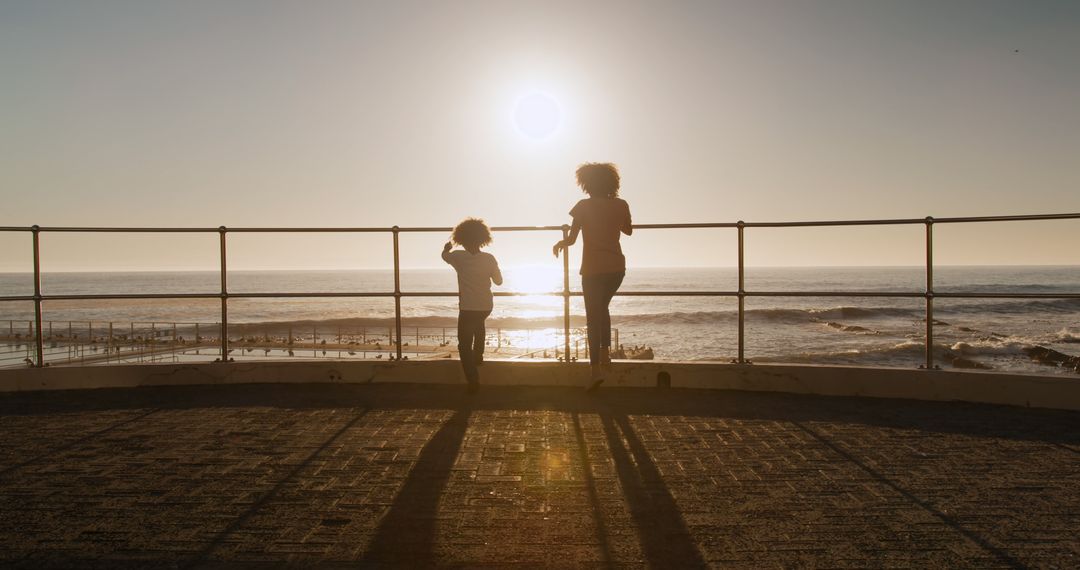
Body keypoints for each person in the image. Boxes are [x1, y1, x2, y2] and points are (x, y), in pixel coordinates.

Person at [552, 162, 632, 391]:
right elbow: (628, 230)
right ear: (611, 182)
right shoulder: (620, 204)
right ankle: (605, 354)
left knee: (592, 317)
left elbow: (572, 239)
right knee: (602, 309)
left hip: (592, 269)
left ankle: (595, 369)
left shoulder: (583, 206)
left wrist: (560, 242)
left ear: (586, 183)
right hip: (617, 268)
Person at [443, 218, 503, 393]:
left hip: (468, 307)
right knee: (479, 322)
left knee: (464, 344)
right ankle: (478, 354)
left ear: (460, 238)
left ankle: (473, 380)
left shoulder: (458, 257)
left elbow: (444, 256)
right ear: (483, 238)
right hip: (486, 305)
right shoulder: (489, 258)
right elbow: (499, 282)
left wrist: (446, 249)